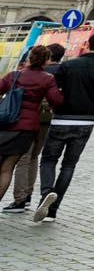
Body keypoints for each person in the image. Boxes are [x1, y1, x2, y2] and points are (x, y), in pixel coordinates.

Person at [34, 29, 94, 223]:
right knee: (69, 165)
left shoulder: (68, 65)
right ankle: (52, 211)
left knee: (48, 160)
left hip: (62, 118)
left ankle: (46, 192)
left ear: (87, 44)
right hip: (86, 121)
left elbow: (54, 91)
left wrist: (54, 107)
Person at [0, 45, 63, 212]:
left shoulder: (14, 75)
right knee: (8, 168)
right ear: (46, 61)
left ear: (29, 58)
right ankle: (16, 199)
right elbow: (56, 101)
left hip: (4, 124)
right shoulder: (47, 79)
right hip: (26, 128)